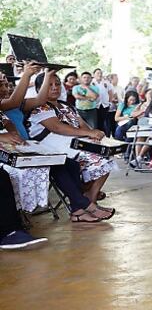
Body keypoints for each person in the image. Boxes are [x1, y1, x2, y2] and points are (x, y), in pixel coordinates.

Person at [28, 73, 116, 209]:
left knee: (107, 152)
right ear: (40, 88)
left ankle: (90, 195)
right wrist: (88, 133)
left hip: (74, 141)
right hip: (53, 145)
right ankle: (89, 197)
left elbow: (82, 124)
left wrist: (93, 134)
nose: (54, 88)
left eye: (57, 84)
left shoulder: (66, 106)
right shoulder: (39, 107)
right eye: (49, 85)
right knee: (97, 156)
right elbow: (56, 127)